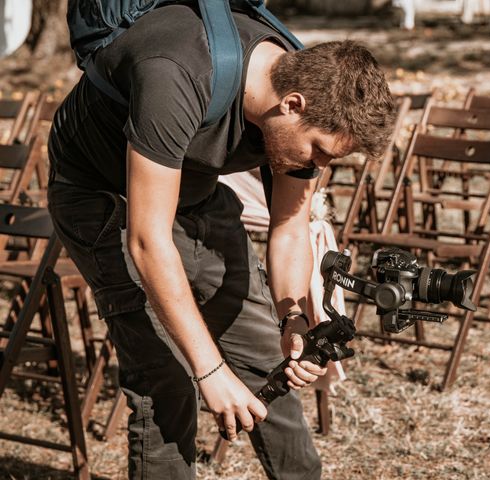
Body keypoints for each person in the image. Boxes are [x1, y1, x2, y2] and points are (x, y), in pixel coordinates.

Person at [47, 3, 395, 479]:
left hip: (197, 194)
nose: (319, 164)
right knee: (166, 378)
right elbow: (149, 241)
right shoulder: (176, 73)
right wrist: (209, 372)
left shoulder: (303, 93)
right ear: (291, 104)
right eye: (318, 150)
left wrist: (291, 315)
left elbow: (290, 226)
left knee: (262, 353)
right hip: (105, 198)